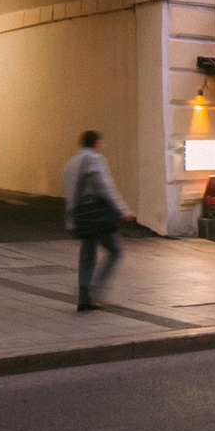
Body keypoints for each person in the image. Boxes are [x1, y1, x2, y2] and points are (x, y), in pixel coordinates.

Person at [64, 130, 130, 312]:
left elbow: (70, 195)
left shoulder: (71, 163)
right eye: (101, 142)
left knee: (87, 257)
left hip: (82, 218)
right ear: (96, 143)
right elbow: (105, 187)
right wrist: (123, 209)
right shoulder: (94, 159)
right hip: (97, 216)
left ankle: (84, 298)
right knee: (115, 251)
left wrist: (72, 219)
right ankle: (97, 286)